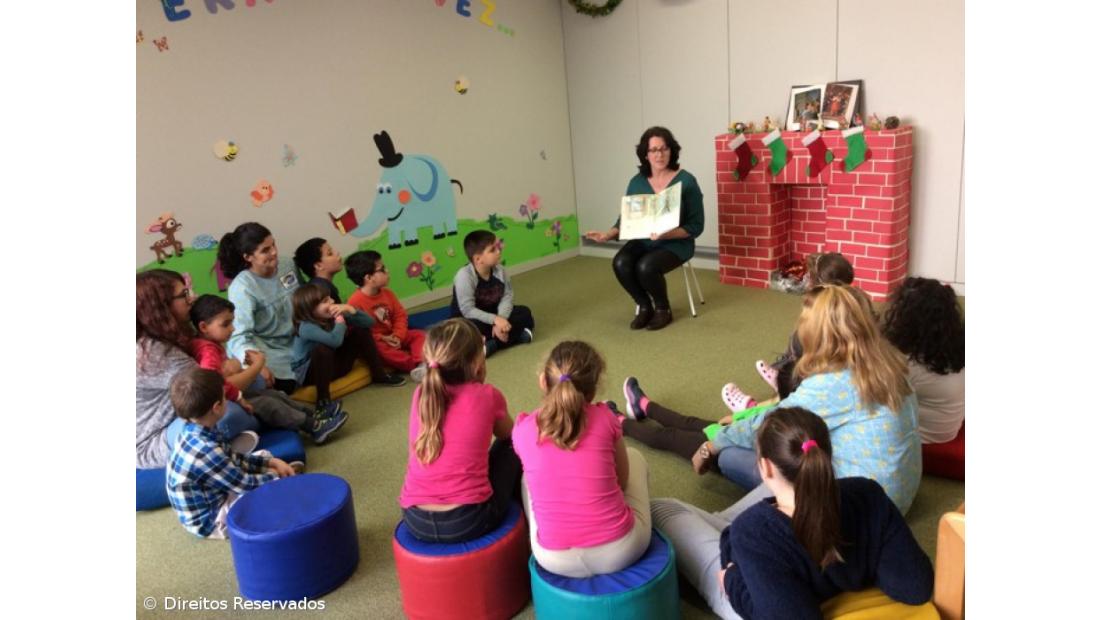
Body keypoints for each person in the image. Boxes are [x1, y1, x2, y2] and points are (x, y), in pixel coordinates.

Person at [623, 285, 921, 514]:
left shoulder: (834, 384)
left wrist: (710, 446)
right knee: (728, 428)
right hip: (896, 495)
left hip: (854, 508)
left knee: (728, 448)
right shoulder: (889, 364)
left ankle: (624, 422)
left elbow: (767, 425)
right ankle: (643, 409)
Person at [649, 408, 933, 620]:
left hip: (746, 589)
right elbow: (915, 586)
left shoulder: (754, 533)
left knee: (662, 508)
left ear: (766, 468)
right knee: (737, 526)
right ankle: (728, 531)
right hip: (758, 547)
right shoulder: (866, 493)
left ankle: (727, 536)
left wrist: (733, 582)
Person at [512, 341, 652, 578]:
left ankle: (550, 529)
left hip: (553, 559)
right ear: (594, 389)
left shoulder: (523, 429)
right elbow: (623, 480)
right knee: (635, 457)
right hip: (621, 551)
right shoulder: (606, 417)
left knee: (527, 478)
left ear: (543, 382)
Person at [218, 222, 403, 397]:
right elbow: (239, 337)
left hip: (307, 341)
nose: (274, 252)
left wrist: (339, 312)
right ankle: (321, 400)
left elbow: (308, 299)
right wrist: (256, 367)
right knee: (282, 383)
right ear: (248, 257)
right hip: (277, 357)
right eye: (265, 250)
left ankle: (379, 374)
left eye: (273, 245)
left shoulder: (287, 265)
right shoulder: (242, 288)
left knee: (348, 334)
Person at [398, 319, 522, 543]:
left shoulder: (421, 394)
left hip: (415, 519)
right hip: (469, 520)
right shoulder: (487, 395)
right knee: (514, 445)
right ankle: (525, 516)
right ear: (477, 363)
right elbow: (510, 436)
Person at [584, 126, 705, 331]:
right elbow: (627, 219)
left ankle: (663, 309)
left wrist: (668, 234)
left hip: (676, 243)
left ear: (671, 151)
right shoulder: (637, 182)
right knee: (621, 262)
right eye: (654, 150)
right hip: (644, 240)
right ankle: (643, 304)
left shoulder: (687, 181)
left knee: (645, 267)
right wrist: (608, 234)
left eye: (664, 149)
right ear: (645, 154)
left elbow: (696, 226)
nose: (660, 154)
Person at [137, 269, 258, 470]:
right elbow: (211, 384)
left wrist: (235, 368)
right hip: (156, 440)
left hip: (187, 410)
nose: (191, 299)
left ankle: (220, 451)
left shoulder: (167, 334)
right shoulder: (154, 352)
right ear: (161, 306)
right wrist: (246, 367)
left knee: (254, 387)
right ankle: (220, 456)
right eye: (183, 295)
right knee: (233, 415)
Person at [189, 294, 349, 444]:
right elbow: (214, 383)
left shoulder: (211, 345)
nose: (232, 329)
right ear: (203, 327)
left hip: (229, 395)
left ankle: (313, 416)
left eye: (232, 322)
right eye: (225, 324)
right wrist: (239, 396)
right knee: (267, 404)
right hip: (223, 402)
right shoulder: (207, 350)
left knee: (273, 394)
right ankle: (314, 427)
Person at [166, 367, 299, 539]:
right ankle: (282, 481)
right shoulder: (206, 450)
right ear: (217, 407)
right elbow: (245, 485)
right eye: (224, 396)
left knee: (264, 455)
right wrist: (275, 476)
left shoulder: (195, 430)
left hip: (215, 491)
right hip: (212, 519)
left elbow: (233, 458)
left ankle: (278, 475)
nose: (228, 400)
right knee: (269, 501)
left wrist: (271, 464)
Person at [753, 252, 854, 395]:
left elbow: (800, 345)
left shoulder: (814, 312)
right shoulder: (858, 303)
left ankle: (787, 376)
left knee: (799, 338)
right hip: (849, 366)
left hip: (822, 367)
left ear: (814, 282)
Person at [882, 276, 965, 443]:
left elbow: (880, 399)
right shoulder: (955, 348)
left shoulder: (912, 364)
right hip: (949, 428)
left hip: (924, 437)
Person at [346, 251, 428, 382]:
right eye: (382, 269)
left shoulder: (388, 293)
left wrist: (398, 335)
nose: (387, 270)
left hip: (394, 335)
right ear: (369, 278)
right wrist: (383, 338)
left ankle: (421, 363)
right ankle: (413, 365)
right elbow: (358, 334)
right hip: (378, 341)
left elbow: (400, 315)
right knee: (380, 351)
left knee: (419, 335)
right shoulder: (354, 302)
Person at [450, 230, 535, 357]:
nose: (498, 251)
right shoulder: (464, 276)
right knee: (462, 332)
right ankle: (513, 338)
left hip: (494, 313)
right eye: (492, 250)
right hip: (470, 318)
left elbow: (507, 296)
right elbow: (468, 310)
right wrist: (495, 320)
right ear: (478, 259)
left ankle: (491, 344)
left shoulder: (500, 271)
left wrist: (501, 319)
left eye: (497, 247)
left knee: (525, 313)